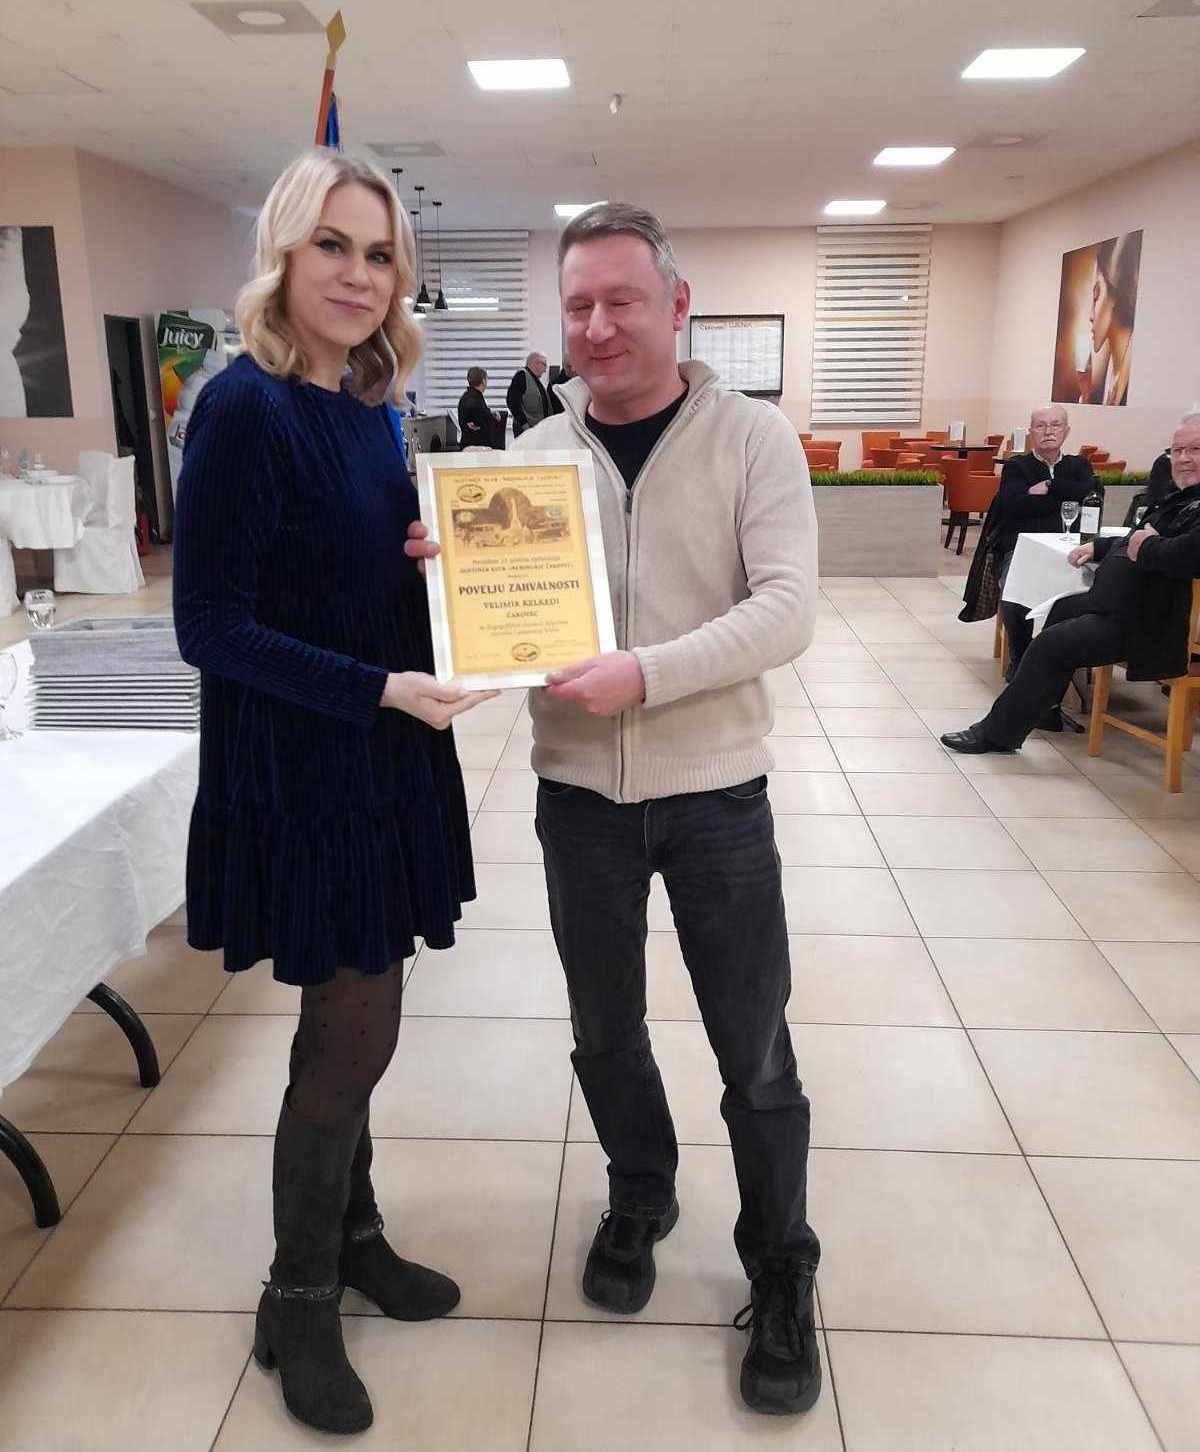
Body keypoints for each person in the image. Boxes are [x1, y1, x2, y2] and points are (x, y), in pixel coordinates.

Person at [415, 202, 823, 1414]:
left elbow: (787, 609)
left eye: (621, 300)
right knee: (604, 1027)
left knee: (754, 1045)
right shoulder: (532, 457)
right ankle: (641, 1191)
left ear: (676, 303)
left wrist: (647, 674)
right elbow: (506, 615)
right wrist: (450, 590)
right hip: (579, 796)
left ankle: (781, 1260)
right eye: (577, 305)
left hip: (717, 796)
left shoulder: (753, 439)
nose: (596, 326)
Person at [173, 148, 496, 1436]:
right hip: (308, 765)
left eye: (379, 254)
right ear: (283, 252)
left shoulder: (370, 404)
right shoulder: (242, 408)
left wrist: (426, 567)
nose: (360, 276)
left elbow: (344, 578)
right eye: (333, 246)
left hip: (382, 752)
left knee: (368, 1016)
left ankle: (352, 1237)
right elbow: (210, 626)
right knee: (349, 1033)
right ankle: (297, 1295)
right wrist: (379, 686)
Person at [942, 416, 1200, 757]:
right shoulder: (1177, 498)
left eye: (1195, 450)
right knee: (1057, 608)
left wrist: (1146, 545)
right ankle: (1043, 707)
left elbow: (1186, 555)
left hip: (1149, 621)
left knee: (1051, 644)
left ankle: (997, 734)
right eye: (1177, 450)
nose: (1183, 459)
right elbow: (1135, 537)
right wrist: (1100, 547)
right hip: (1119, 603)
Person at [991, 405, 1096, 691]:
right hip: (1023, 549)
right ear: (1031, 432)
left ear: (1066, 430)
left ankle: (1064, 657)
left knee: (1097, 587)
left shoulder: (1079, 465)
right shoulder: (1017, 467)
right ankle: (1021, 657)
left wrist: (1048, 487)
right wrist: (1065, 494)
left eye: (1055, 425)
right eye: (1041, 425)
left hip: (1073, 550)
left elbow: (1091, 496)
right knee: (1012, 592)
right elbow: (1014, 506)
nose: (1049, 431)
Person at [1078, 232, 1141, 407]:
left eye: (1096, 296)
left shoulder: (1135, 375)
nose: (1091, 316)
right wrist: (1085, 394)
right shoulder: (1106, 376)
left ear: (1116, 291)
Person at [457, 365, 504, 447]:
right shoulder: (477, 400)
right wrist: (495, 417)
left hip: (466, 444)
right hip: (477, 447)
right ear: (483, 381)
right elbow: (484, 422)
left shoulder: (465, 397)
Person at [506, 350, 549, 435]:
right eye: (544, 365)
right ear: (535, 363)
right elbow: (512, 401)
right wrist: (524, 424)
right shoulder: (521, 375)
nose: (545, 370)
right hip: (527, 431)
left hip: (536, 430)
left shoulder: (536, 380)